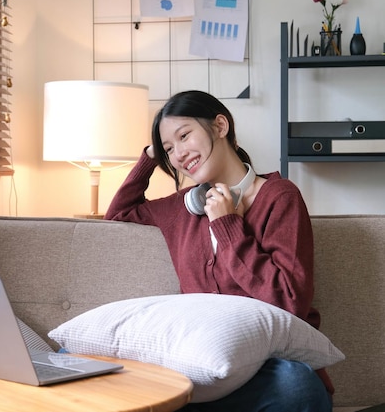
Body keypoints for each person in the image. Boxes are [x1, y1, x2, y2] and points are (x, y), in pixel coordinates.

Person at [104, 90, 333, 412]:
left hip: (268, 370)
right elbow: (118, 216)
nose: (179, 154)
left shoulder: (279, 197)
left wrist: (227, 225)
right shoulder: (181, 207)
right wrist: (149, 157)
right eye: (169, 149)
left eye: (185, 136)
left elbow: (288, 301)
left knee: (296, 386)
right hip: (199, 366)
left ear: (220, 125)